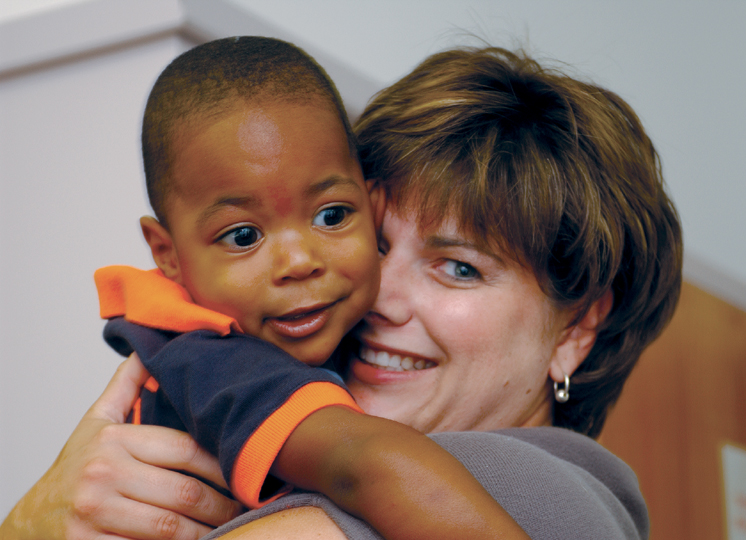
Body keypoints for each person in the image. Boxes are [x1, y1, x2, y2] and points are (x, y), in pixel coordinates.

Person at [0, 45, 682, 540]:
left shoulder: (514, 484)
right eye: (375, 243)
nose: (383, 296)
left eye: (459, 268)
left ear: (576, 330)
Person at [83, 36, 528, 540]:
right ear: (167, 254)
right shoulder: (208, 358)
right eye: (244, 236)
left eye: (331, 215)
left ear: (369, 197)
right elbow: (367, 462)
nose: (299, 262)